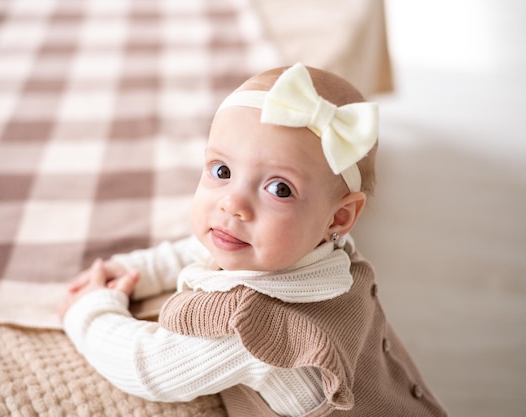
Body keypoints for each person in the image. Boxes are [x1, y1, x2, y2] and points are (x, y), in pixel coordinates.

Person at [58, 63, 447, 417]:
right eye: (222, 169)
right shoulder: (320, 249)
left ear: (339, 217)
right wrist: (136, 269)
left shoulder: (258, 330)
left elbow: (146, 368)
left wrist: (90, 310)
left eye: (279, 189)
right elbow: (206, 246)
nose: (232, 204)